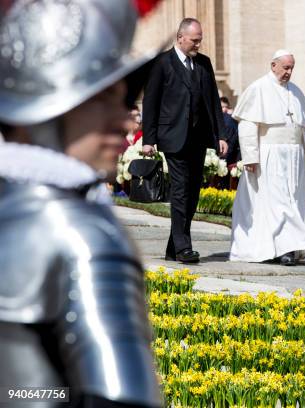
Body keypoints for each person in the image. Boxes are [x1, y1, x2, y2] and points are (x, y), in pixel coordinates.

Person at [0, 0, 162, 406]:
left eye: (124, 100)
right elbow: (120, 398)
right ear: (47, 108)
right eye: (103, 98)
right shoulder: (80, 233)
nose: (125, 121)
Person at [143, 18, 228, 263]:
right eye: (194, 40)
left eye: (200, 39)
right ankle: (184, 248)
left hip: (198, 139)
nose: (198, 44)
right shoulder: (162, 63)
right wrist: (148, 139)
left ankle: (173, 246)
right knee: (180, 191)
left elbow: (213, 100)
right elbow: (151, 102)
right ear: (180, 37)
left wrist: (220, 134)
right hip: (172, 137)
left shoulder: (204, 64)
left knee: (192, 193)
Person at [229, 50, 305, 266]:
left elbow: (302, 128)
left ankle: (288, 247)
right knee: (278, 204)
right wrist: (251, 157)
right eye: (285, 68)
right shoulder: (258, 88)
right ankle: (285, 249)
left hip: (295, 158)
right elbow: (247, 125)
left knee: (295, 202)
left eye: (292, 68)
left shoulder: (296, 91)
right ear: (273, 65)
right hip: (269, 156)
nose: (289, 72)